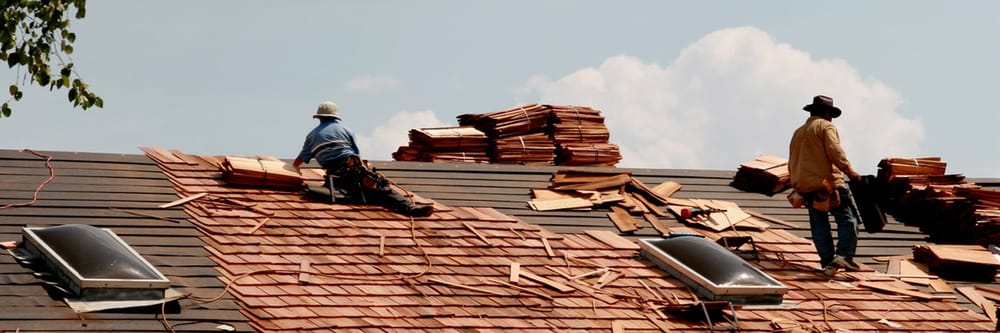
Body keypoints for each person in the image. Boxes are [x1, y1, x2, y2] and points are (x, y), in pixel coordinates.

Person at [293, 101, 433, 217]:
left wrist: (291, 171)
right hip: (350, 168)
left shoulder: (311, 136)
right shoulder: (346, 130)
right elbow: (356, 155)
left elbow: (300, 159)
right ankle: (409, 208)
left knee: (365, 191)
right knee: (381, 188)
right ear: (336, 117)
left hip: (334, 175)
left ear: (319, 117)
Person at [788, 95, 862, 276]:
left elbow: (792, 162)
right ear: (827, 113)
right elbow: (835, 151)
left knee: (819, 225)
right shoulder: (825, 127)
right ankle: (844, 255)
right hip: (828, 185)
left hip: (806, 188)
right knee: (848, 219)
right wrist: (849, 170)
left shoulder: (798, 132)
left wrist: (797, 184)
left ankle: (828, 262)